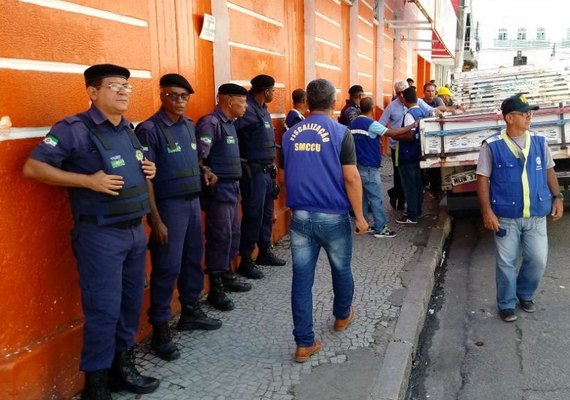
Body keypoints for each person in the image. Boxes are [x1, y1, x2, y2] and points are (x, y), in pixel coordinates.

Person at [22, 64, 160, 399]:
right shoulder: (73, 129)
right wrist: (88, 181)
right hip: (100, 235)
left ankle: (122, 368)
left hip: (133, 232)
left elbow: (137, 170)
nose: (124, 91)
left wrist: (149, 170)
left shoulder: (129, 129)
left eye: (127, 85)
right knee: (104, 309)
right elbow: (33, 167)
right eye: (114, 86)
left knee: (129, 304)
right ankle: (96, 384)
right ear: (93, 92)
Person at [134, 74, 224, 361]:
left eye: (184, 96)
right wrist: (155, 220)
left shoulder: (188, 126)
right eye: (173, 95)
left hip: (192, 203)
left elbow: (192, 160)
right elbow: (145, 177)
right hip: (168, 207)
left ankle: (190, 311)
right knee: (167, 267)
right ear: (162, 95)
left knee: (191, 261)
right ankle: (160, 329)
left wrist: (205, 171)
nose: (180, 100)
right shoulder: (149, 129)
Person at [282, 78, 368, 363]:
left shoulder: (289, 134)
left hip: (300, 217)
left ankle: (304, 344)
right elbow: (351, 177)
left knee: (301, 280)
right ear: (334, 102)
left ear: (307, 102)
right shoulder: (341, 132)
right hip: (332, 216)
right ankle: (342, 316)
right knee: (341, 270)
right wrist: (360, 216)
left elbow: (285, 174)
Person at [476, 93, 564, 322]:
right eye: (524, 113)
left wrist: (558, 197)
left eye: (530, 112)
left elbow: (549, 170)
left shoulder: (539, 142)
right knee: (505, 262)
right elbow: (483, 179)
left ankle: (524, 294)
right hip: (505, 216)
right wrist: (487, 211)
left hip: (535, 214)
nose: (529, 116)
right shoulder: (492, 146)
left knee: (538, 259)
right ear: (509, 118)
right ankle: (506, 304)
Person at [197, 83, 253, 312]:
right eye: (243, 101)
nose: (246, 106)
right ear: (229, 101)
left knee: (233, 234)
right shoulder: (211, 123)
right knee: (220, 236)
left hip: (232, 188)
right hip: (219, 191)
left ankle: (227, 274)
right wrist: (207, 173)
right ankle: (216, 287)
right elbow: (200, 158)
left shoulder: (230, 124)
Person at [234, 74, 286, 279]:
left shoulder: (262, 109)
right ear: (266, 91)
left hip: (265, 172)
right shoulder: (246, 110)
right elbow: (232, 133)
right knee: (253, 215)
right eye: (272, 90)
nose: (273, 94)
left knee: (265, 215)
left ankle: (264, 251)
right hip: (252, 173)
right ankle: (246, 259)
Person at [349, 97, 417, 238]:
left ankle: (363, 225)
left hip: (357, 166)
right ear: (372, 108)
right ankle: (380, 228)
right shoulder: (372, 124)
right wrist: (412, 126)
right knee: (375, 198)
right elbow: (392, 133)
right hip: (370, 167)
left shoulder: (353, 123)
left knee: (362, 198)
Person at [380, 81, 443, 211]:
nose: (401, 96)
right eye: (398, 93)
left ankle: (411, 206)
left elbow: (431, 111)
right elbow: (381, 124)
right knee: (399, 176)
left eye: (403, 93)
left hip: (412, 145)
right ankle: (401, 201)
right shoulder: (392, 107)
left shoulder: (416, 103)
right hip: (397, 147)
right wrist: (391, 133)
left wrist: (448, 110)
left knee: (413, 176)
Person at [394, 87, 428, 225]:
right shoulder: (420, 112)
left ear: (404, 98)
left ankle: (412, 215)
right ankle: (417, 211)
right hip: (416, 153)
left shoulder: (409, 114)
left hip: (407, 155)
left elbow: (410, 135)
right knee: (417, 185)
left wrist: (395, 134)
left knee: (409, 186)